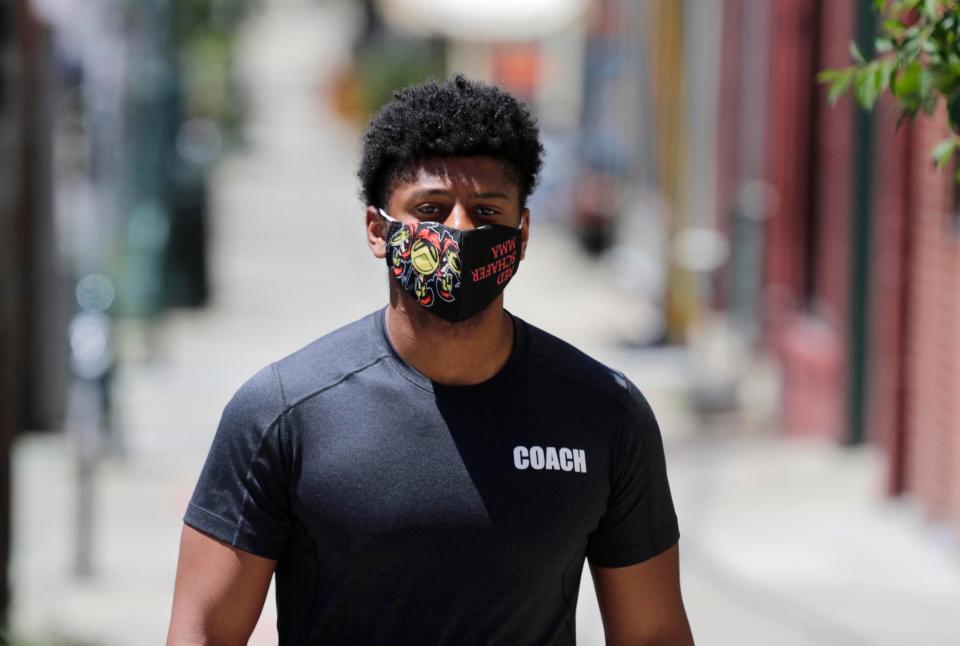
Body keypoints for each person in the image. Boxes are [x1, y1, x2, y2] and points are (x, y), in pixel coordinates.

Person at [167, 75, 693, 645]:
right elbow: (204, 632)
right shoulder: (283, 413)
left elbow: (653, 633)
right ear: (377, 230)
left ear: (522, 233)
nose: (461, 231)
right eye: (432, 208)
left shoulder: (604, 413)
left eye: (487, 211)